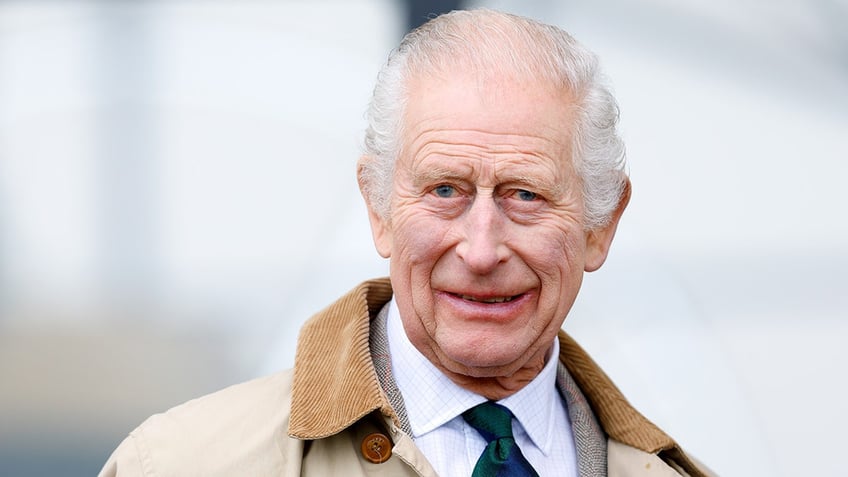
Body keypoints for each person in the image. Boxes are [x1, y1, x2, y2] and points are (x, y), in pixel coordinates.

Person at [100, 9, 713, 476]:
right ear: (378, 208)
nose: (480, 250)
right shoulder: (180, 465)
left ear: (600, 225)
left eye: (525, 195)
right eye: (445, 190)